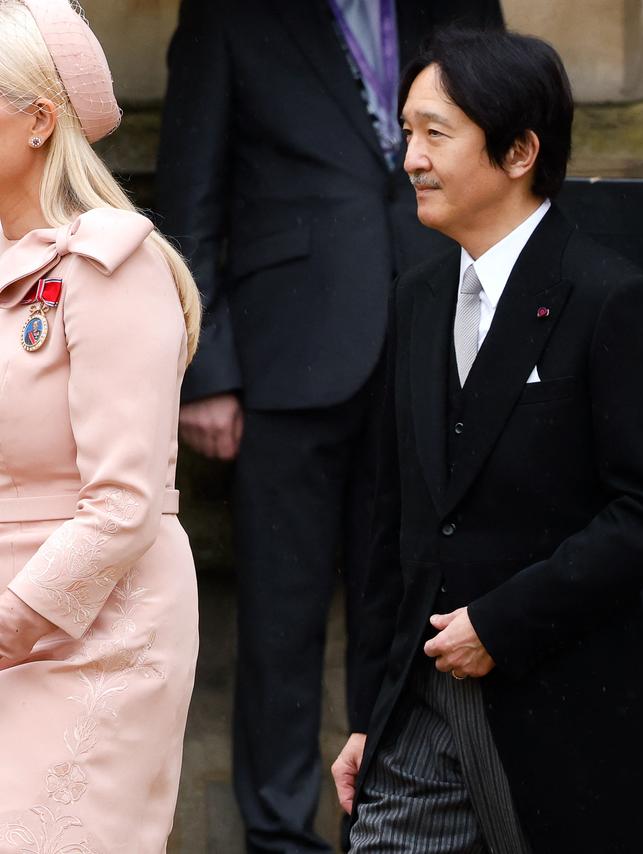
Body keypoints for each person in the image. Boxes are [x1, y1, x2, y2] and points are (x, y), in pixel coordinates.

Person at [330, 28, 643, 853]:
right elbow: (393, 526)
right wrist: (370, 719)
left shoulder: (609, 298)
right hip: (420, 714)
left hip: (561, 709)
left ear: (520, 149)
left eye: (435, 133)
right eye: (408, 131)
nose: (411, 157)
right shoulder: (418, 296)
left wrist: (502, 621)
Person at [152, 1, 501, 849]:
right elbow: (187, 196)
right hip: (287, 355)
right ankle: (279, 836)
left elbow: (512, 159)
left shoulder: (457, 3)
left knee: (413, 608)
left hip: (436, 336)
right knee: (279, 617)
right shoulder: (231, 16)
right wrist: (206, 370)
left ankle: (393, 829)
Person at [0, 1, 202, 850]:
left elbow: (121, 505)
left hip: (96, 632)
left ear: (38, 120)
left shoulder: (112, 263)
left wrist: (6, 622)